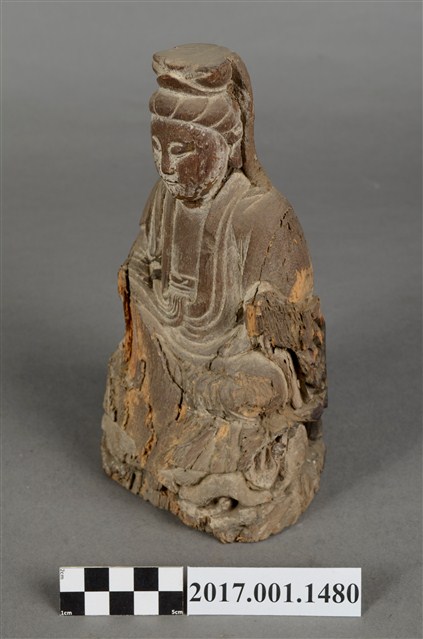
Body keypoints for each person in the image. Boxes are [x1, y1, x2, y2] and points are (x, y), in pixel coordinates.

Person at [102, 44, 327, 542]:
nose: (165, 165)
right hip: (166, 340)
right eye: (157, 147)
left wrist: (238, 351)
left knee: (257, 389)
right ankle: (163, 439)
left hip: (229, 357)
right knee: (133, 361)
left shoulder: (263, 217)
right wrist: (145, 288)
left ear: (228, 140)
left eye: (183, 150)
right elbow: (139, 264)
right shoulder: (163, 199)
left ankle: (219, 462)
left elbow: (286, 334)